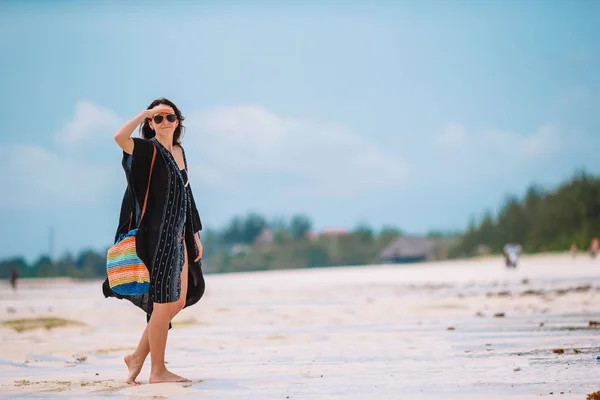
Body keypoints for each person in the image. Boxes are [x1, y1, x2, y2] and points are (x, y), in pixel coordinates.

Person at [102, 98, 206, 385]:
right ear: (150, 124)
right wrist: (143, 113)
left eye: (168, 117)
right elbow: (119, 137)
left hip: (179, 236)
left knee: (178, 300)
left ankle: (137, 357)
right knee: (163, 303)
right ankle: (157, 371)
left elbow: (187, 194)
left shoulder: (179, 151)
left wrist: (194, 233)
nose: (163, 122)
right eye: (157, 118)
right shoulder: (147, 150)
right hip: (158, 238)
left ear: (178, 121)